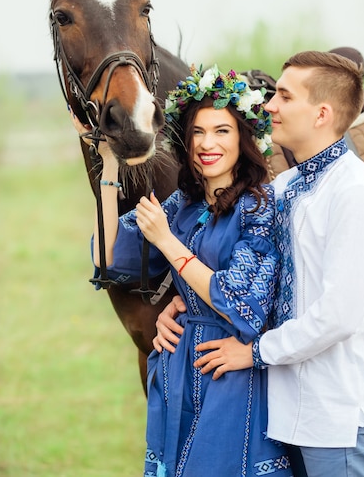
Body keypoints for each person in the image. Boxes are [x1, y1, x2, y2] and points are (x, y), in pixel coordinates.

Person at [154, 51, 364, 477]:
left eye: (284, 96)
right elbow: (251, 265)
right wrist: (182, 299)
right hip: (281, 409)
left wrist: (253, 352)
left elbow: (337, 316)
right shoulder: (286, 185)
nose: (269, 105)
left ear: (321, 114)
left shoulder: (354, 193)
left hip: (331, 412)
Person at [72, 65, 294, 477]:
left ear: (243, 140)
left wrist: (168, 244)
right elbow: (107, 257)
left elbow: (242, 305)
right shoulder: (180, 207)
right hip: (177, 366)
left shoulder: (259, 209)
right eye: (197, 132)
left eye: (222, 131)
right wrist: (107, 171)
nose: (208, 144)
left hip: (229, 370)